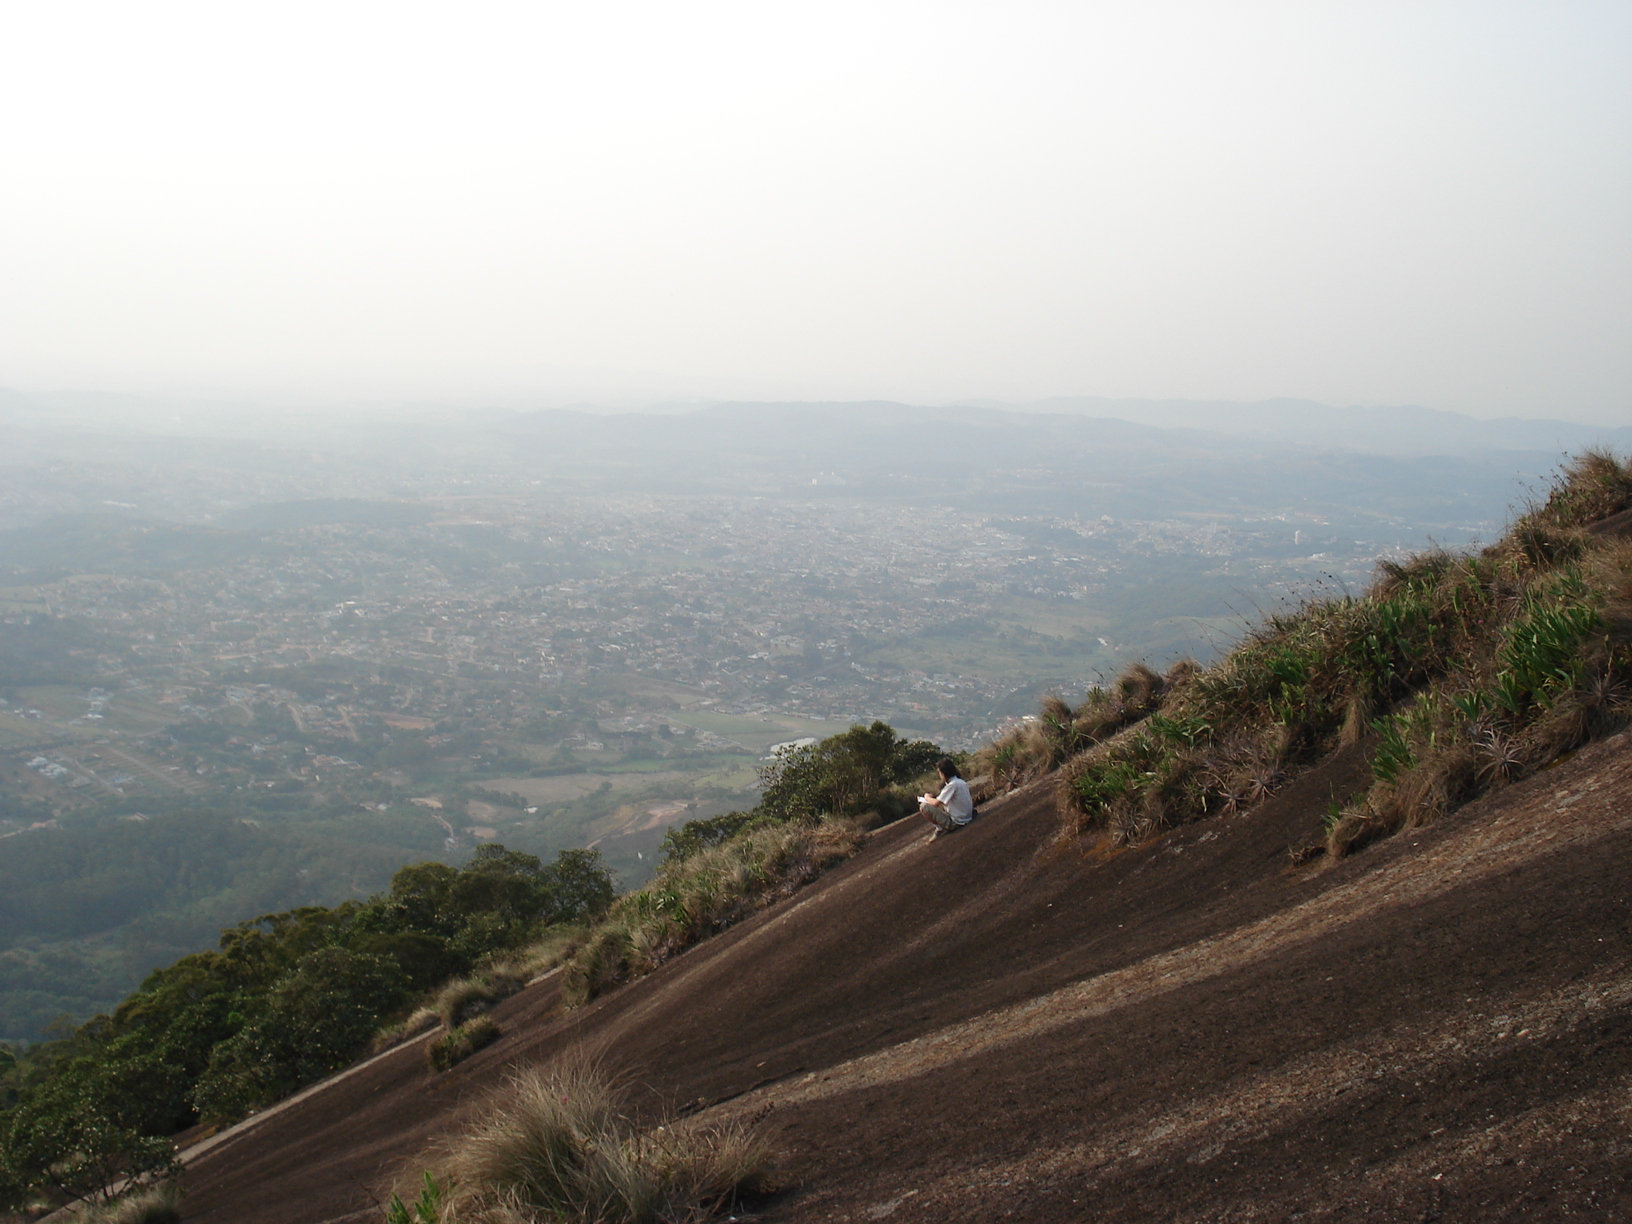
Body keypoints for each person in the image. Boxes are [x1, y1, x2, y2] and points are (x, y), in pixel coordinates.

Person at [918, 757, 974, 838]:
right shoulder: (960, 781)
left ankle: (940, 828)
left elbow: (935, 803)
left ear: (944, 773)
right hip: (967, 816)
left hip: (958, 821)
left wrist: (926, 797)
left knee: (924, 806)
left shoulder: (952, 785)